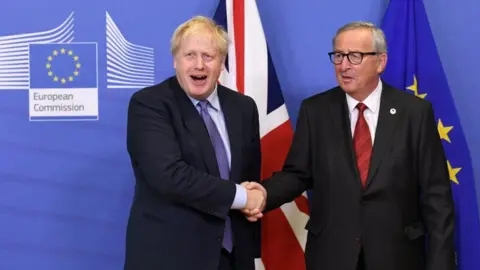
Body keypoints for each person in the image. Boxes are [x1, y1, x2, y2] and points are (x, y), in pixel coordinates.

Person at [244, 21, 456, 270]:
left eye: (355, 56)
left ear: (380, 62)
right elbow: (297, 175)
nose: (344, 65)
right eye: (338, 56)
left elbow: (437, 197)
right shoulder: (316, 111)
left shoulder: (415, 113)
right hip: (332, 255)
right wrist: (264, 194)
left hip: (398, 256)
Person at [124, 16, 265, 270]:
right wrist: (244, 197)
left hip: (233, 259)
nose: (199, 65)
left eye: (208, 56)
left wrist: (253, 198)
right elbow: (169, 175)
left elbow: (249, 174)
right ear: (175, 61)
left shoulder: (243, 108)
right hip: (170, 258)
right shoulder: (149, 104)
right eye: (190, 55)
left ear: (221, 63)